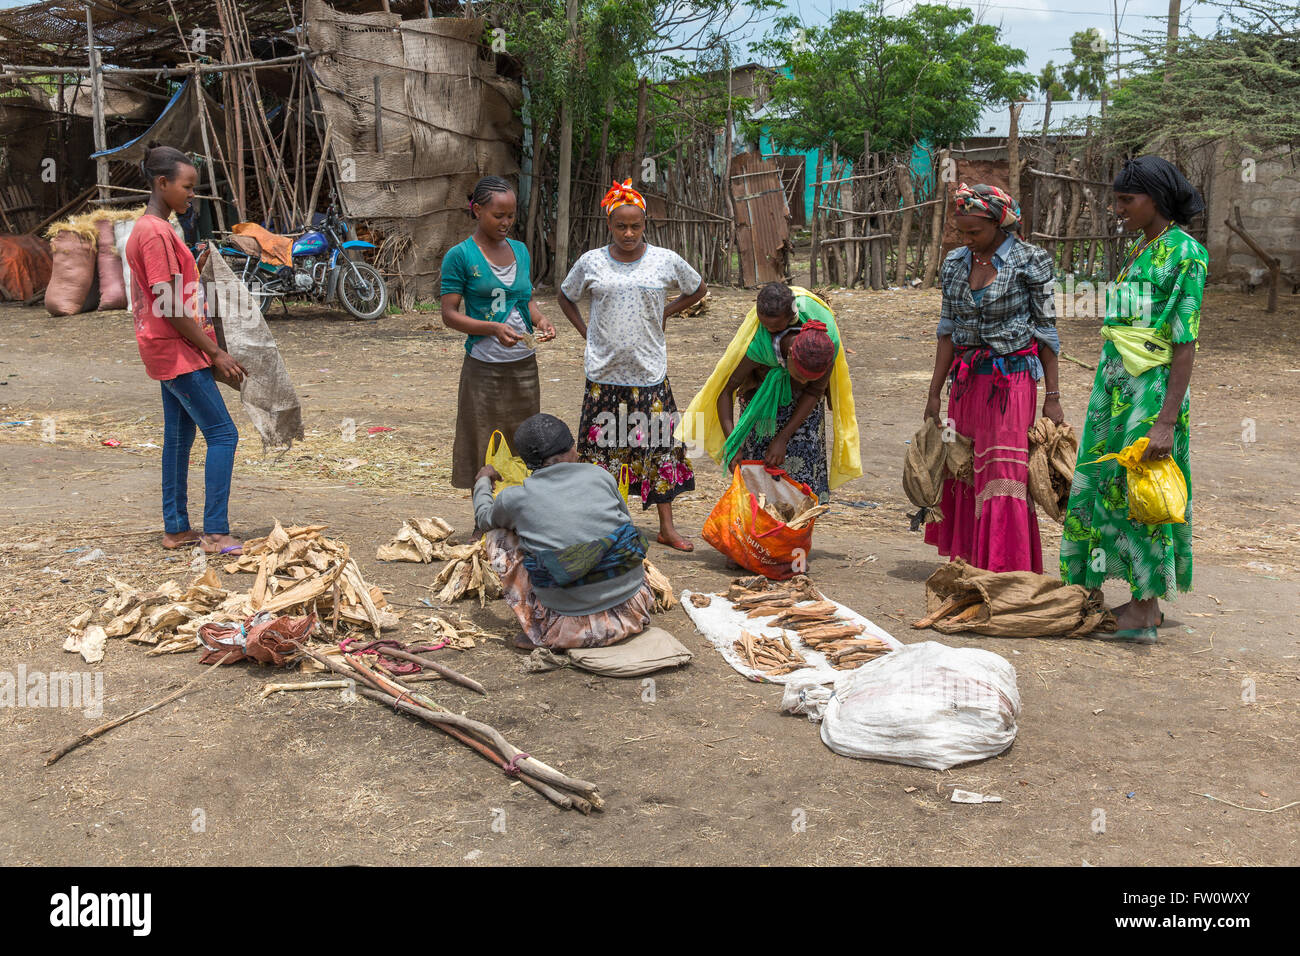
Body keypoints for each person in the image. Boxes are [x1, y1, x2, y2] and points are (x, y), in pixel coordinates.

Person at [1060, 156, 1207, 643]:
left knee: (1143, 491)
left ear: (1156, 200)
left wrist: (1165, 422)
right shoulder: (1144, 249)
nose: (1117, 208)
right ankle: (1110, 594)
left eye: (1127, 200)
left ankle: (1145, 610)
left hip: (1149, 395)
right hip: (1115, 390)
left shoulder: (1186, 254)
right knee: (1108, 486)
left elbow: (1183, 343)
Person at [557, 179, 707, 551]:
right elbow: (565, 295)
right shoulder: (591, 261)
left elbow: (698, 288)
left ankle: (666, 527)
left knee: (658, 445)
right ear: (609, 224)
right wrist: (586, 332)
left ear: (645, 224)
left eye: (635, 225)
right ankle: (607, 526)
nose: (628, 233)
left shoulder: (664, 260)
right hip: (603, 373)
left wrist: (666, 313)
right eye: (621, 226)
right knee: (604, 450)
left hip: (648, 371)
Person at [922, 182, 1062, 574]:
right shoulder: (954, 263)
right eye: (962, 232)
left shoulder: (1032, 261)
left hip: (1011, 383)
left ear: (1000, 224)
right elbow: (947, 330)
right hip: (965, 383)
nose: (968, 240)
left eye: (975, 232)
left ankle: (1004, 563)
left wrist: (1052, 395)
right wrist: (935, 393)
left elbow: (1046, 331)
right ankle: (967, 558)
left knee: (1003, 471)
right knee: (962, 463)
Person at [125, 144, 245, 556]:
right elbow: (169, 304)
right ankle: (216, 531)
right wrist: (215, 352)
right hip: (177, 349)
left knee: (178, 439)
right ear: (162, 184)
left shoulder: (149, 229)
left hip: (163, 347)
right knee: (224, 435)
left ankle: (176, 528)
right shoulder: (156, 233)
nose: (192, 195)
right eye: (187, 187)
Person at [475, 413, 655, 650]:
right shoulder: (600, 475)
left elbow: (483, 518)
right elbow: (626, 527)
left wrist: (483, 481)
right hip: (635, 608)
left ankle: (540, 630)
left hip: (572, 630)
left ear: (528, 463)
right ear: (571, 450)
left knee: (498, 536)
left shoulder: (516, 499)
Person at [680, 283, 860, 503]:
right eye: (800, 376)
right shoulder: (760, 347)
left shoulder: (824, 347)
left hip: (804, 413)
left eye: (808, 378)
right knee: (759, 491)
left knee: (800, 492)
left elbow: (814, 391)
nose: (803, 381)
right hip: (762, 408)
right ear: (790, 355)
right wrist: (732, 444)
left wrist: (783, 437)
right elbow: (726, 390)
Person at [440, 176, 557, 489]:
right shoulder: (460, 256)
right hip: (484, 367)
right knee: (484, 439)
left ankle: (518, 511)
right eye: (498, 215)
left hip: (524, 367)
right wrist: (492, 327)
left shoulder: (520, 251)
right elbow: (449, 315)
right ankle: (484, 514)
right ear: (477, 210)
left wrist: (541, 320)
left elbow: (525, 300)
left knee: (524, 439)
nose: (506, 222)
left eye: (511, 216)